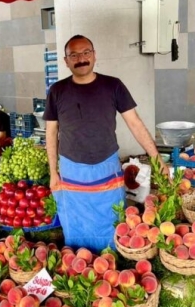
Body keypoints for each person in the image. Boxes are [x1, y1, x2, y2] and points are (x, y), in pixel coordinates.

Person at [43, 34, 167, 252]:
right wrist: (53, 171)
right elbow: (51, 133)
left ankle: (112, 261)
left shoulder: (113, 86)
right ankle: (78, 265)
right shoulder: (57, 91)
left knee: (111, 219)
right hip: (72, 170)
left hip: (106, 167)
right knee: (76, 223)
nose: (81, 58)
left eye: (85, 53)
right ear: (66, 61)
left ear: (94, 55)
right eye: (74, 55)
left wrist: (157, 159)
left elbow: (135, 123)